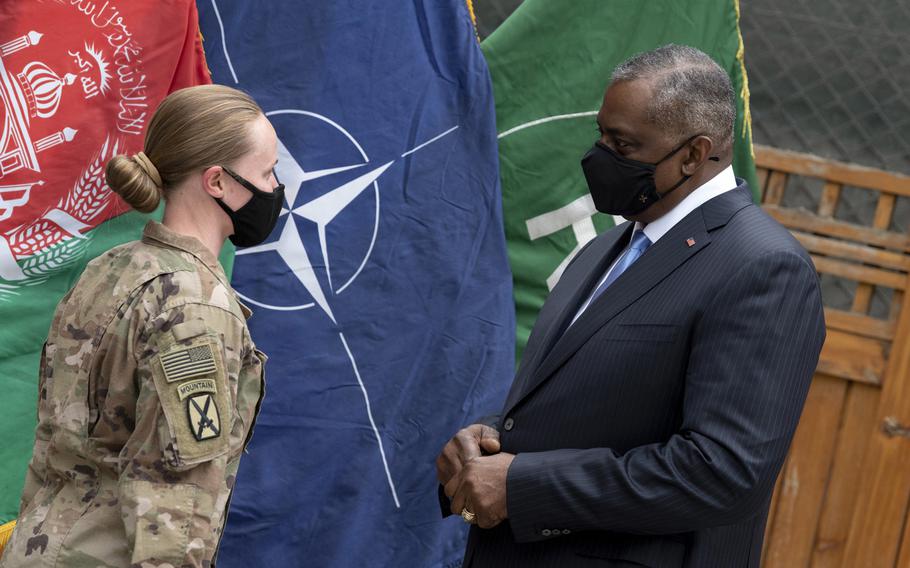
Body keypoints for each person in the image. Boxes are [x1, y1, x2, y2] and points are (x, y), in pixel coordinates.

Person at [436, 44, 826, 567]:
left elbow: (723, 471)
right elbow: (590, 403)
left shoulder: (762, 266)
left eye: (622, 144)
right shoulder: (611, 245)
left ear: (693, 154)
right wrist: (488, 441)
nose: (600, 156)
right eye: (601, 135)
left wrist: (522, 485)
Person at [0, 84, 283, 567]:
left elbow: (54, 446)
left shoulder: (108, 268)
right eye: (267, 172)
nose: (275, 188)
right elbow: (175, 493)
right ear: (217, 182)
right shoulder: (198, 308)